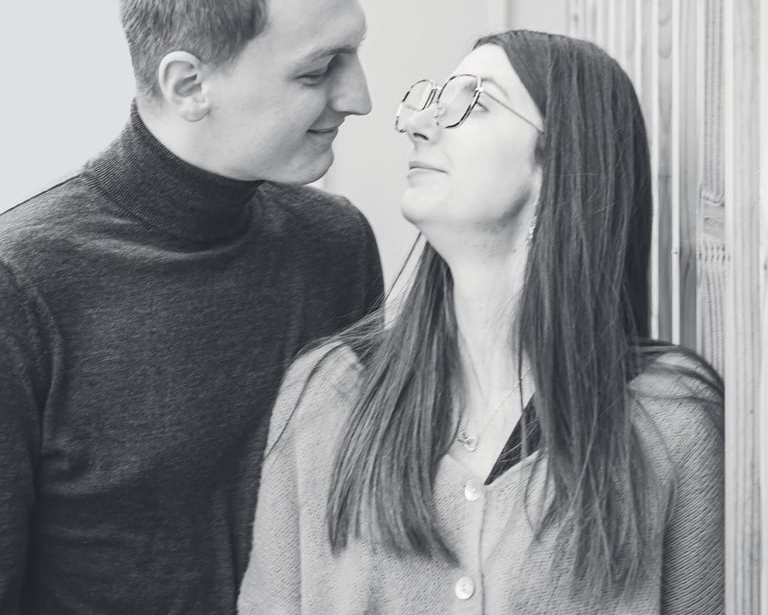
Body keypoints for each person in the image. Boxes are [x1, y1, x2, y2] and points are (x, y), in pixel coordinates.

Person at [238, 30, 724, 614]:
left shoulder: (669, 419)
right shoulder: (328, 393)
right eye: (434, 100)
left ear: (559, 160)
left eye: (475, 101)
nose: (420, 125)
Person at [0, 0, 383, 615]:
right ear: (188, 85)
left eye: (354, 54)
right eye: (317, 70)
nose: (359, 97)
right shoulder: (21, 283)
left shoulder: (336, 245)